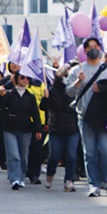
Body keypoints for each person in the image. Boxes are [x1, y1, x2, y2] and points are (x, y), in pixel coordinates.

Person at [65, 37, 107, 197]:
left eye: (96, 46)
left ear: (100, 49)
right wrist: (78, 82)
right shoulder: (77, 70)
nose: (93, 49)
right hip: (85, 117)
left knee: (106, 150)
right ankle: (94, 184)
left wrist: (104, 90)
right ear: (85, 51)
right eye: (89, 47)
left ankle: (106, 180)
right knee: (89, 152)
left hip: (104, 117)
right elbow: (69, 93)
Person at [0, 71, 44, 190]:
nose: (25, 80)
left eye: (27, 78)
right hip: (10, 128)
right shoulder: (9, 94)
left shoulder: (30, 96)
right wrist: (1, 95)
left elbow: (35, 114)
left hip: (25, 129)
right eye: (22, 77)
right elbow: (0, 105)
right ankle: (15, 179)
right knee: (14, 155)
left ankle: (21, 177)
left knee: (24, 156)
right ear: (15, 79)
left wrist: (38, 129)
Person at [42, 63, 82, 191]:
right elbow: (44, 107)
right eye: (65, 75)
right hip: (56, 128)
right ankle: (50, 174)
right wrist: (45, 97)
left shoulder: (76, 90)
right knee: (55, 155)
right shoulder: (53, 90)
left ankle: (69, 180)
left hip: (72, 128)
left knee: (71, 156)